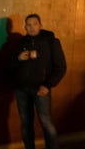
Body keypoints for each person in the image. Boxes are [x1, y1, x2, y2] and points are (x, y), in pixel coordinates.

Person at [13, 14, 67, 149]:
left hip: (41, 89)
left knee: (46, 122)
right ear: (25, 27)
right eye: (28, 25)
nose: (32, 27)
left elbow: (61, 67)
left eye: (35, 24)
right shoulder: (21, 43)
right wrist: (18, 59)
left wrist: (48, 85)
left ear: (40, 25)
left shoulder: (51, 41)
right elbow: (11, 67)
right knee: (26, 123)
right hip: (22, 90)